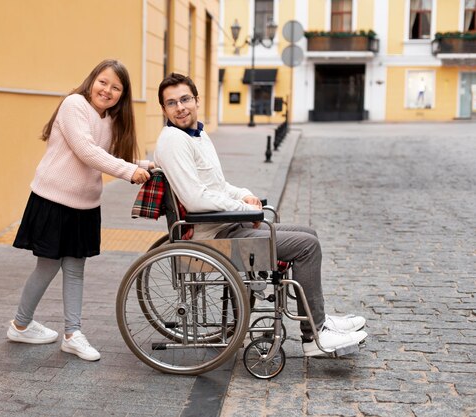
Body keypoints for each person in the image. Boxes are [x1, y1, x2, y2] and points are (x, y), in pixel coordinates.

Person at [153, 73, 368, 357]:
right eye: (172, 103)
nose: (180, 107)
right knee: (306, 246)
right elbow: (194, 199)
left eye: (184, 99)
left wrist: (243, 194)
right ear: (164, 110)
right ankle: (314, 336)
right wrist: (247, 209)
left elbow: (217, 186)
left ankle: (319, 320)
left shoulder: (197, 135)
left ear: (196, 100)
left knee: (308, 234)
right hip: (212, 235)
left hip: (227, 223)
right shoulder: (174, 141)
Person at [7, 59, 152, 361]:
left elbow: (108, 155)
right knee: (47, 267)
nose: (107, 90)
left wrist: (141, 165)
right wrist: (128, 172)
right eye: (103, 82)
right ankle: (21, 325)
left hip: (84, 205)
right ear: (92, 80)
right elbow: (86, 151)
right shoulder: (74, 105)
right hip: (53, 199)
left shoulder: (109, 119)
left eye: (116, 88)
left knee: (75, 269)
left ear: (121, 96)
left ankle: (72, 334)